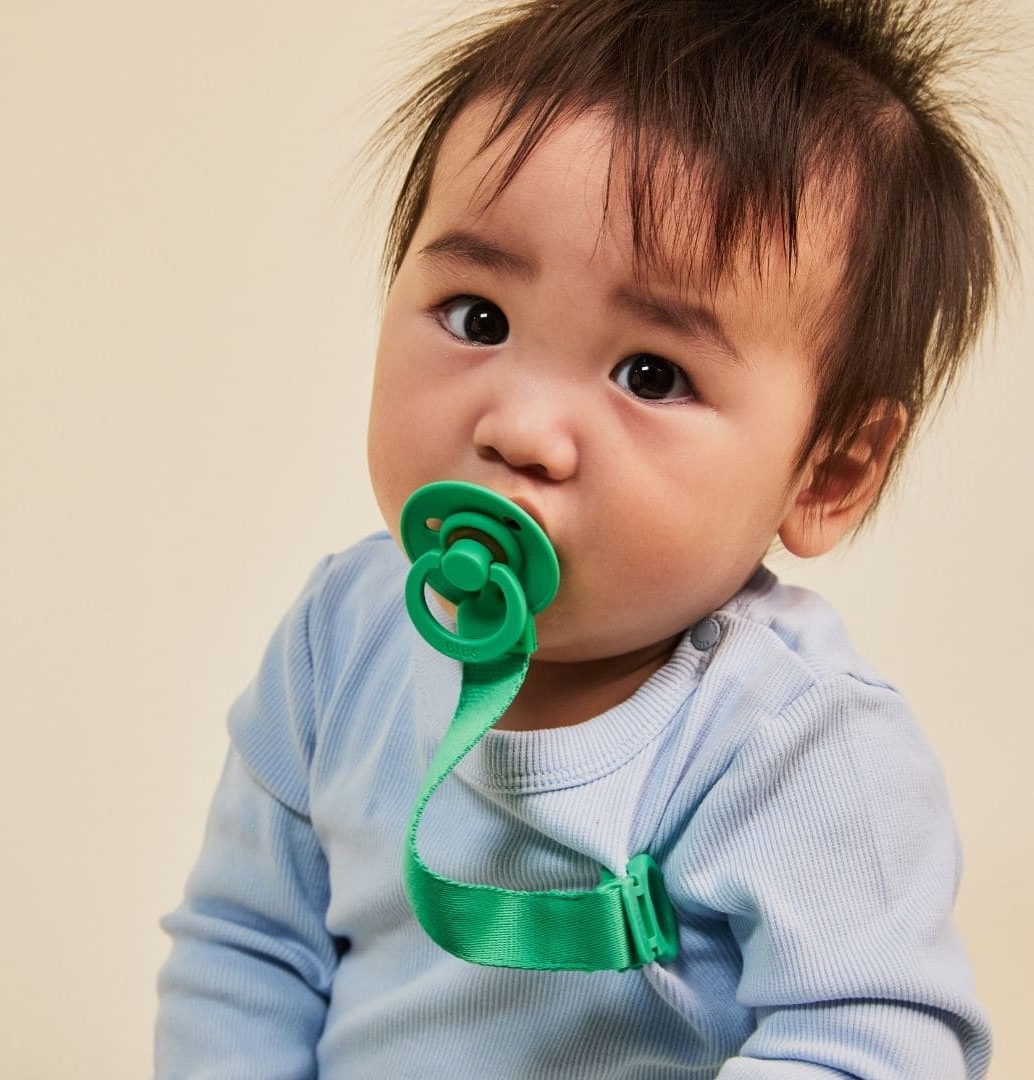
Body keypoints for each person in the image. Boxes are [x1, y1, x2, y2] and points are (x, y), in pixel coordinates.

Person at [155, 1, 1008, 1076]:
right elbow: (250, 949)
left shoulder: (793, 745)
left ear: (830, 470)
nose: (518, 429)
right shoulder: (341, 642)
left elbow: (872, 1046)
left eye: (652, 374)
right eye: (478, 317)